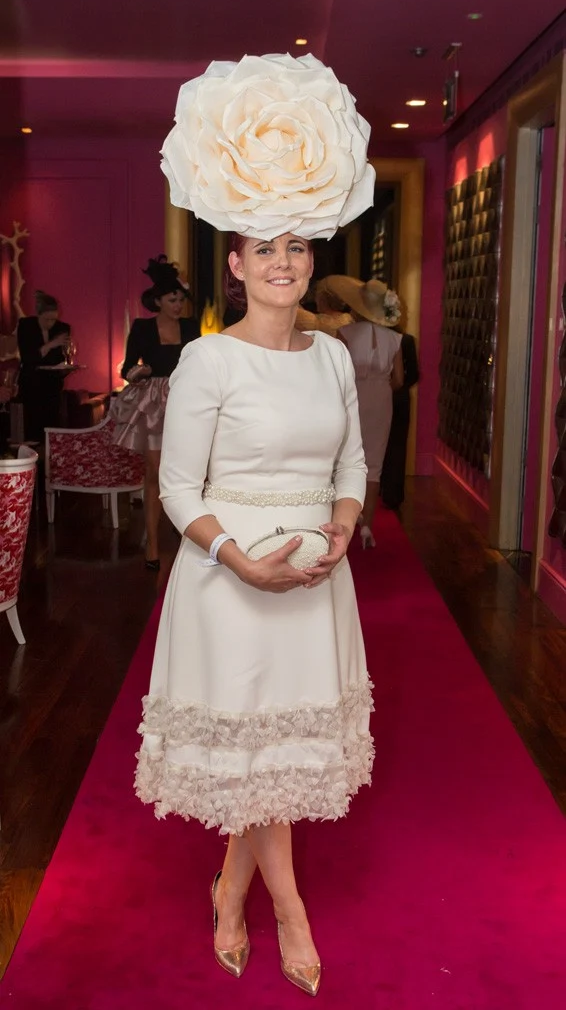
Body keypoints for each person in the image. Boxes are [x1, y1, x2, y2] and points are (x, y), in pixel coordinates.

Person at [134, 52, 377, 997]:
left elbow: (351, 464)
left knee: (273, 759)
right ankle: (287, 911)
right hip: (231, 583)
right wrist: (240, 558)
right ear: (234, 266)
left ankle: (229, 889)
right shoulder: (209, 364)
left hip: (316, 582)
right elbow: (176, 488)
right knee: (258, 759)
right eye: (262, 248)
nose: (283, 263)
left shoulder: (330, 358)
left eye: (297, 247)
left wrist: (344, 527)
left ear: (312, 256)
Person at [111, 256, 200, 570]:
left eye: (180, 299)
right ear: (158, 301)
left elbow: (198, 365)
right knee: (154, 474)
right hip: (153, 405)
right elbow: (126, 369)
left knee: (187, 472)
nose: (177, 304)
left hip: (185, 402)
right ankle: (152, 543)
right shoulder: (143, 327)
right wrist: (140, 372)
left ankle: (185, 530)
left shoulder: (191, 326)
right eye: (171, 299)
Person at [324, 276, 404, 549]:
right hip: (381, 400)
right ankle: (367, 525)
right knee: (374, 466)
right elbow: (399, 381)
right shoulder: (395, 339)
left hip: (351, 398)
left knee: (343, 459)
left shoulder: (345, 334)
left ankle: (340, 519)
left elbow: (335, 374)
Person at [16, 291, 71, 441]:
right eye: (47, 319)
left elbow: (60, 358)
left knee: (51, 428)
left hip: (52, 385)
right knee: (32, 429)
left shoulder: (62, 328)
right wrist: (51, 344)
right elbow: (28, 358)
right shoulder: (26, 326)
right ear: (38, 315)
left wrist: (65, 368)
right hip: (31, 385)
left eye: (54, 319)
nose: (50, 323)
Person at [380, 330, 419, 509]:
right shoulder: (404, 339)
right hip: (398, 399)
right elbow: (413, 375)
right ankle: (392, 494)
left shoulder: (401, 340)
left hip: (393, 400)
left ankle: (386, 491)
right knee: (396, 446)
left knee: (391, 446)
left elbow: (411, 374)